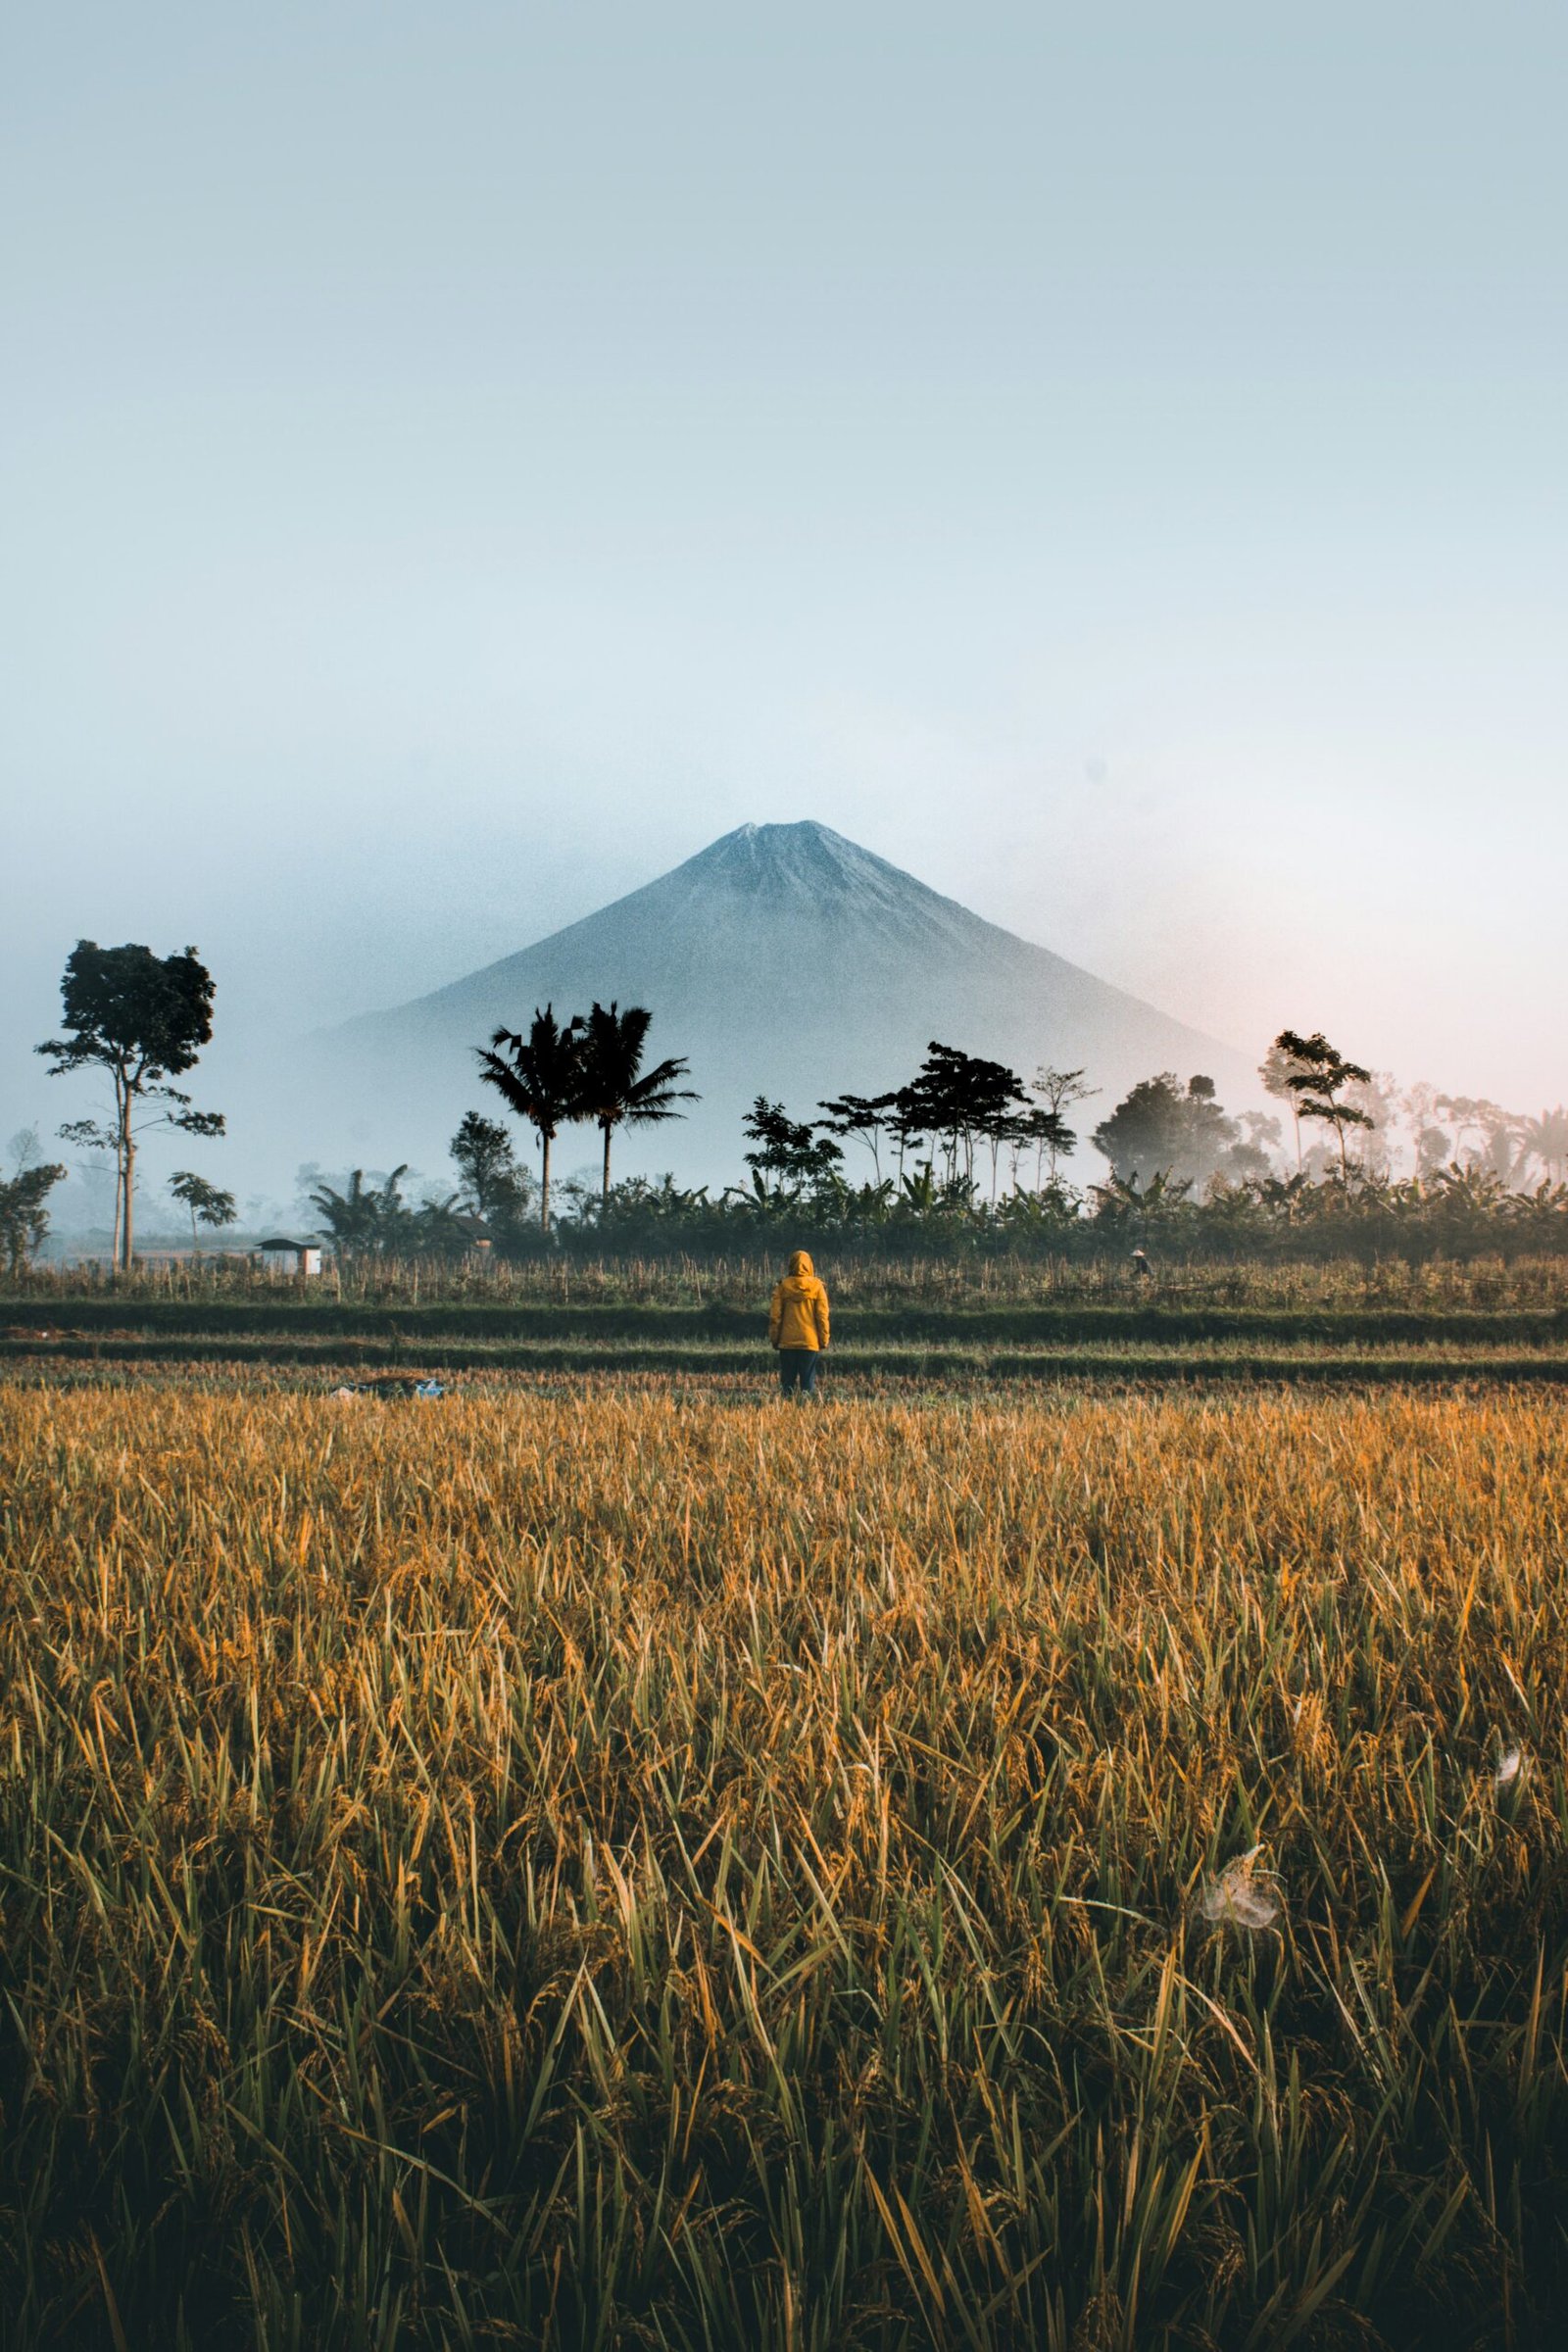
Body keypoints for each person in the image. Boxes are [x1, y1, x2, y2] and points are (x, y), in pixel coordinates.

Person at [769, 1249, 830, 1396]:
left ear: (791, 1265)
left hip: (787, 1342)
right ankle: (807, 1413)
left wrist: (775, 1339)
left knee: (787, 1385)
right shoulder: (817, 1286)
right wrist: (824, 1340)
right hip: (810, 1342)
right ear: (809, 1265)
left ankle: (785, 1413)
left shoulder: (782, 1287)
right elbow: (822, 1316)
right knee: (807, 1385)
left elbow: (775, 1317)